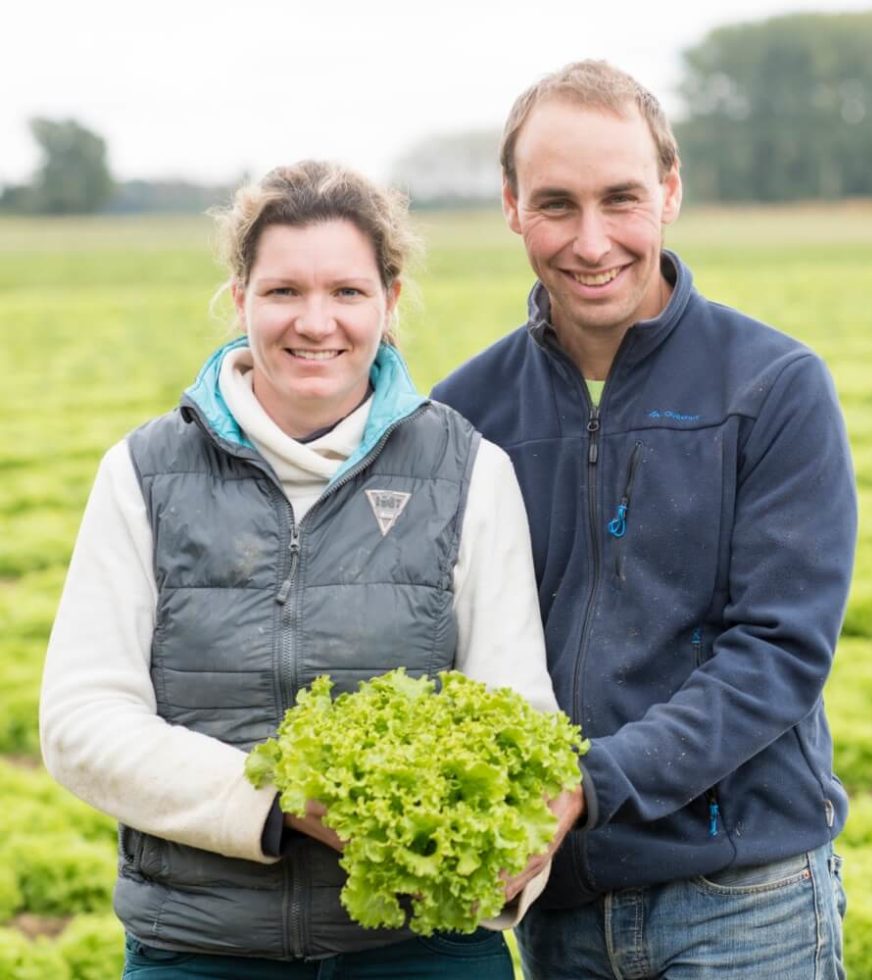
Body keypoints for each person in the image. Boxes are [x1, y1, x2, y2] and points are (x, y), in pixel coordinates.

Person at [40, 160, 564, 979]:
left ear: (390, 302)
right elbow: (81, 723)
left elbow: (515, 716)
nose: (315, 323)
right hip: (204, 949)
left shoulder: (468, 470)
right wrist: (284, 801)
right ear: (240, 295)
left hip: (419, 951)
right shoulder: (143, 472)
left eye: (348, 293)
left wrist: (493, 856)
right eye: (284, 291)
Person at [432, 60, 856, 979]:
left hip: (744, 902)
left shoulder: (774, 388)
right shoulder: (462, 416)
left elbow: (780, 652)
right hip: (559, 912)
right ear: (510, 205)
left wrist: (589, 785)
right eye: (555, 205)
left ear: (670, 189)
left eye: (621, 199)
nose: (591, 243)